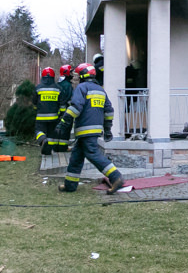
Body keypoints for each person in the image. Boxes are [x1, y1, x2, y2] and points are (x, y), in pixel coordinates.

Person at [54, 63, 124, 194]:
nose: (76, 78)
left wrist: (63, 123)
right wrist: (108, 129)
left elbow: (75, 107)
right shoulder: (101, 90)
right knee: (76, 157)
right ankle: (70, 185)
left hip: (85, 129)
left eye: (78, 75)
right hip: (94, 130)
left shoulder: (82, 88)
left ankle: (116, 177)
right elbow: (109, 111)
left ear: (82, 75)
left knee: (93, 154)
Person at [33, 67, 63, 155]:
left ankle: (42, 139)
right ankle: (48, 151)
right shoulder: (58, 88)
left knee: (38, 131)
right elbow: (62, 104)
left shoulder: (38, 88)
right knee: (51, 134)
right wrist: (61, 114)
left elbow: (34, 102)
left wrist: (35, 110)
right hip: (54, 117)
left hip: (40, 116)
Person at [57, 64, 75, 147]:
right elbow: (67, 99)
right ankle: (63, 147)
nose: (72, 74)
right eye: (71, 72)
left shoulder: (59, 83)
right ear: (66, 73)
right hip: (66, 111)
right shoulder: (67, 85)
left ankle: (59, 146)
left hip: (59, 111)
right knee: (66, 128)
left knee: (60, 128)